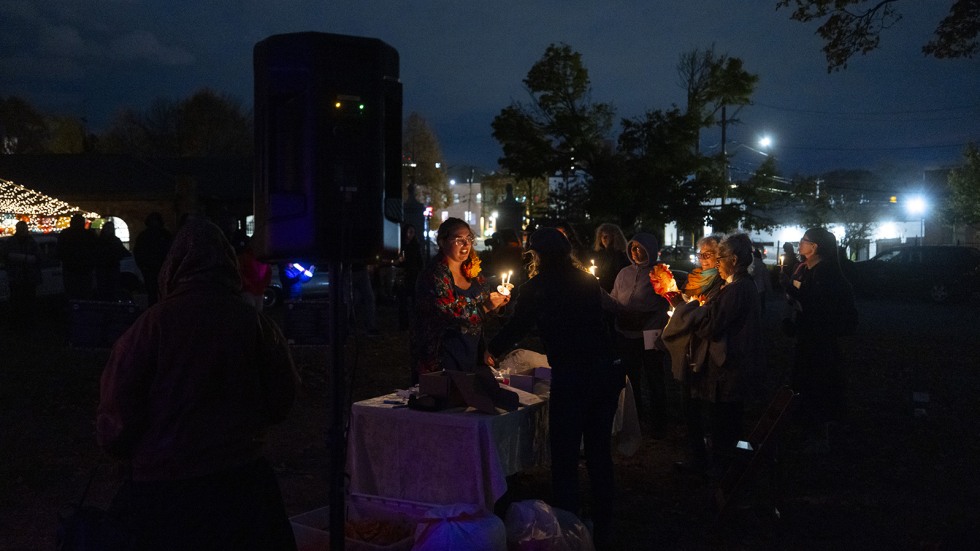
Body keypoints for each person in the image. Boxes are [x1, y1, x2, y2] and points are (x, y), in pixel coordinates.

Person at [97, 217, 299, 550]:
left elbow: (117, 417)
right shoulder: (254, 325)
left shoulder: (150, 327)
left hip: (165, 491)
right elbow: (282, 398)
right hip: (242, 487)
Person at [488, 227, 623, 549]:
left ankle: (568, 525)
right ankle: (605, 524)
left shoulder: (539, 286)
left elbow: (518, 326)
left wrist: (489, 351)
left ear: (537, 255)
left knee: (564, 456)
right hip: (603, 370)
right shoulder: (586, 282)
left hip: (573, 375)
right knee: (598, 453)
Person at [688, 233, 765, 472]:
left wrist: (692, 315)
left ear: (733, 259)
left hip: (729, 369)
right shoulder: (738, 286)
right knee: (726, 422)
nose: (716, 262)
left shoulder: (736, 289)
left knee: (725, 424)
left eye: (720, 257)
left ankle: (725, 477)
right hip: (732, 367)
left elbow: (712, 326)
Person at [782, 227, 858, 454]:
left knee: (817, 385)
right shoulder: (807, 269)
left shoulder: (825, 274)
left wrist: (792, 291)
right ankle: (811, 430)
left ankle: (820, 435)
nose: (799, 243)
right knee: (807, 383)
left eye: (804, 240)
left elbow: (819, 307)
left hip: (820, 342)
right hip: (809, 337)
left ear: (814, 247)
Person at [411, 217, 509, 383]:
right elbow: (449, 313)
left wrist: (497, 304)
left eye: (469, 238)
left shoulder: (473, 272)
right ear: (442, 242)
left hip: (471, 354)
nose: (466, 244)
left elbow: (480, 313)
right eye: (459, 239)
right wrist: (485, 307)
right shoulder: (434, 275)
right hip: (441, 357)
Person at [662, 234, 726, 474]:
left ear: (720, 257)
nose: (703, 260)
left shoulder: (722, 284)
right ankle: (697, 454)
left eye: (708, 255)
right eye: (701, 255)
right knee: (689, 404)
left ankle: (708, 459)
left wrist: (684, 310)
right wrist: (677, 301)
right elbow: (690, 306)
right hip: (690, 350)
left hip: (706, 352)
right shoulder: (698, 279)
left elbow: (703, 315)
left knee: (704, 406)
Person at [605, 232, 670, 437]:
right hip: (625, 332)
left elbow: (669, 303)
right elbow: (615, 298)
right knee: (630, 379)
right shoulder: (624, 273)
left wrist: (650, 320)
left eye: (640, 247)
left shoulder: (660, 274)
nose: (635, 251)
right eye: (632, 248)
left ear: (650, 249)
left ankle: (659, 423)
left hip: (650, 333)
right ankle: (635, 419)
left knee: (654, 377)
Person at [3, 221, 42, 327]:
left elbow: (38, 257)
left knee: (29, 301)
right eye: (20, 229)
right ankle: (17, 323)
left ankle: (28, 322)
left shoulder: (31, 242)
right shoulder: (11, 242)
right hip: (16, 277)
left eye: (23, 229)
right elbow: (6, 256)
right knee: (16, 301)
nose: (22, 231)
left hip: (29, 277)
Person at [132, 212, 173, 306]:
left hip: (158, 267)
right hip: (151, 268)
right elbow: (138, 252)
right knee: (155, 292)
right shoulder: (161, 235)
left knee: (159, 292)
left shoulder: (163, 235)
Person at [57, 213, 97, 301]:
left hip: (70, 270)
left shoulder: (65, 234)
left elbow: (59, 251)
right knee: (85, 296)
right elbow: (95, 251)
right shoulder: (89, 235)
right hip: (85, 270)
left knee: (72, 296)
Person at [93, 221, 131, 301]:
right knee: (111, 290)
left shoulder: (99, 241)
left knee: (105, 290)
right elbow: (124, 253)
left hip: (104, 268)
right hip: (111, 267)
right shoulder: (114, 240)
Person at [396, 223, 424, 330]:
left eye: (412, 232)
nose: (410, 234)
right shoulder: (400, 245)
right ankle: (403, 324)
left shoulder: (415, 246)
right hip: (403, 275)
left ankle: (416, 324)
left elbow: (420, 261)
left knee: (415, 301)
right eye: (409, 232)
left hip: (414, 276)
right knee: (402, 302)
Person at [591, 223, 631, 293]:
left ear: (614, 237)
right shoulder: (600, 254)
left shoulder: (620, 256)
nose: (603, 239)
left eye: (606, 236)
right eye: (601, 236)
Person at [749, 248, 770, 313]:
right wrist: (769, 289)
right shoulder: (762, 265)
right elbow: (766, 278)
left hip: (751, 288)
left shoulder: (750, 264)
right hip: (761, 289)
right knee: (761, 307)